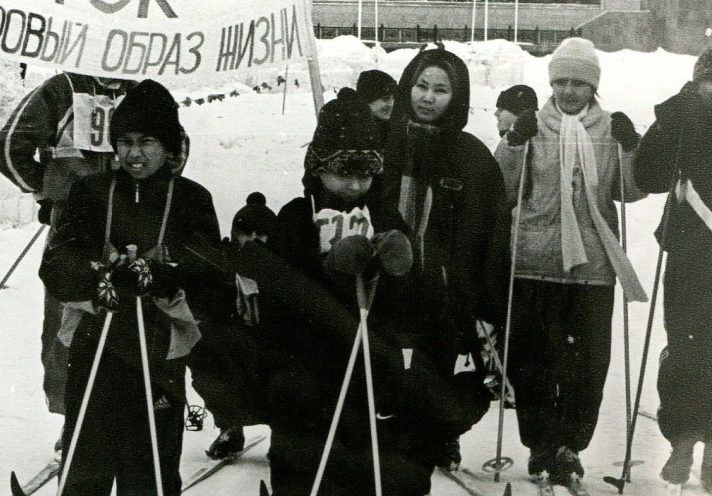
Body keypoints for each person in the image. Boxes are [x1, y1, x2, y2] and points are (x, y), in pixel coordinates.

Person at [39, 79, 230, 495]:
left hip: (159, 346)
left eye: (147, 141)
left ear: (169, 146)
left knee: (151, 466)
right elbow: (55, 263)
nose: (134, 153)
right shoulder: (91, 192)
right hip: (97, 342)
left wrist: (160, 276)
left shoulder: (191, 199)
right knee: (86, 458)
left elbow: (212, 275)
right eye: (124, 141)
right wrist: (97, 278)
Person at [494, 37, 647, 487]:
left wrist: (631, 149)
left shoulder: (607, 129)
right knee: (534, 359)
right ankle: (541, 443)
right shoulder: (533, 126)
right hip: (535, 259)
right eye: (560, 81)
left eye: (578, 82)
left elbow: (631, 192)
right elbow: (501, 190)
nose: (567, 91)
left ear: (593, 86)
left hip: (594, 265)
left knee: (588, 363)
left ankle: (570, 445)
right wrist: (512, 144)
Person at [257, 89, 421, 495]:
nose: (353, 184)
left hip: (367, 383)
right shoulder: (296, 218)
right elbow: (278, 301)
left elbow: (414, 312)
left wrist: (404, 269)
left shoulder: (384, 217)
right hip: (305, 381)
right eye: (343, 170)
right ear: (317, 167)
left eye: (365, 172)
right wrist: (326, 270)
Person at [378, 46, 511, 473]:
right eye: (420, 86)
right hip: (388, 284)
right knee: (389, 366)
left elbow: (492, 235)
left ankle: (441, 435)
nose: (428, 97)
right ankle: (390, 431)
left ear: (458, 98)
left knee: (442, 372)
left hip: (446, 290)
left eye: (441, 90)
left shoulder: (472, 156)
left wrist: (486, 298)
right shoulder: (383, 144)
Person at [0, 72, 137, 425]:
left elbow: (175, 149)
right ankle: (74, 416)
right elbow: (9, 148)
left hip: (133, 219)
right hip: (76, 223)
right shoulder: (64, 88)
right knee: (69, 317)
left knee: (134, 315)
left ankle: (128, 412)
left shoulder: (139, 90)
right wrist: (50, 189)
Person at [633, 48, 712, 490]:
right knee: (685, 351)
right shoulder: (685, 120)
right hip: (690, 256)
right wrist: (668, 125)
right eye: (710, 83)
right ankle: (682, 438)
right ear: (698, 82)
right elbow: (649, 178)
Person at [187, 191, 276, 460]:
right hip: (233, 345)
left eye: (262, 234)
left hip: (274, 348)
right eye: (247, 233)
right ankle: (230, 428)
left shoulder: (284, 269)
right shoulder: (220, 266)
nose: (254, 241)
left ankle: (285, 436)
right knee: (209, 364)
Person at [356, 69, 397, 148]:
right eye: (385, 98)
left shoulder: (399, 129)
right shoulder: (355, 133)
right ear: (367, 101)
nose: (392, 103)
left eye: (395, 98)